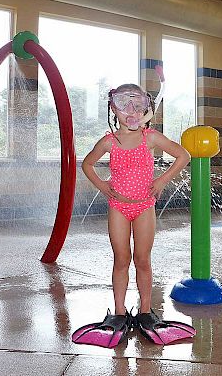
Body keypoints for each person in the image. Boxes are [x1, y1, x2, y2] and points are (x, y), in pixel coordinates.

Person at [72, 83, 195, 348]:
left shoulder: (150, 137)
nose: (131, 111)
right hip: (118, 207)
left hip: (144, 207)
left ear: (145, 109)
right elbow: (87, 163)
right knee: (121, 259)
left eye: (137, 106)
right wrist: (103, 186)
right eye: (124, 105)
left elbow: (183, 155)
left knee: (142, 259)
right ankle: (118, 312)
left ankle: (146, 311)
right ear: (113, 109)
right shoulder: (109, 141)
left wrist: (162, 180)